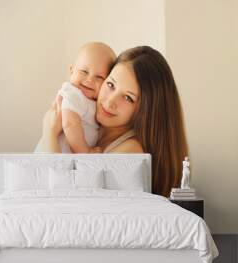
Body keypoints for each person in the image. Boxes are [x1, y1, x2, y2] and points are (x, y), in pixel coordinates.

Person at [41, 46, 189, 197]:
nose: (110, 101)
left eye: (128, 98)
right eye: (111, 85)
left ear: (146, 110)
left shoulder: (129, 152)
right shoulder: (91, 126)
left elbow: (69, 200)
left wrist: (49, 133)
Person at [35, 42, 116, 153]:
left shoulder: (94, 102)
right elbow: (69, 124)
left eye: (99, 77)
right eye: (84, 71)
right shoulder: (73, 93)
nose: (90, 80)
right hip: (52, 154)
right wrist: (84, 151)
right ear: (71, 71)